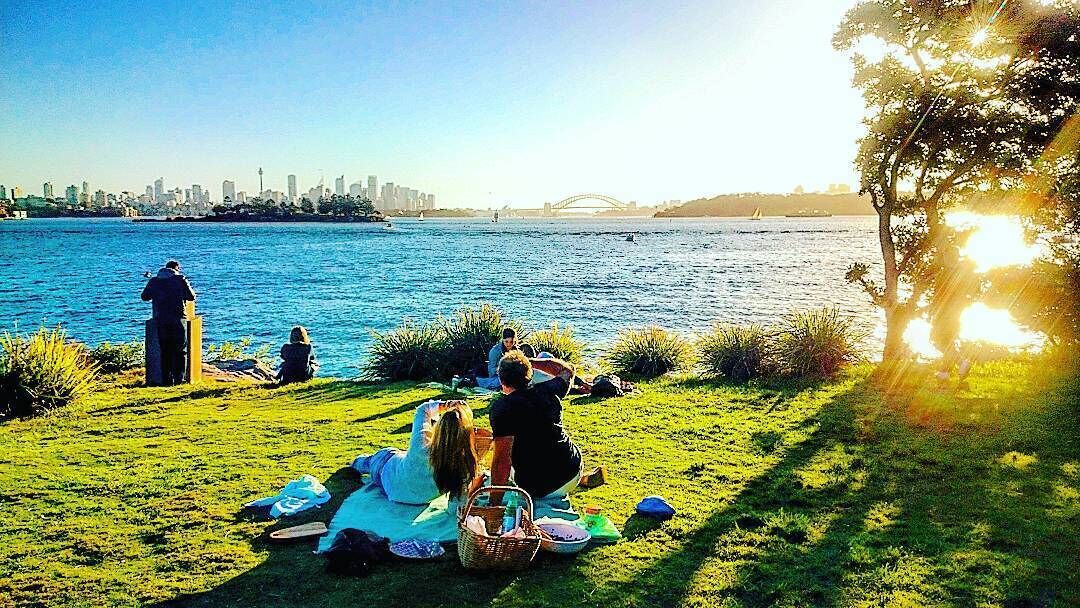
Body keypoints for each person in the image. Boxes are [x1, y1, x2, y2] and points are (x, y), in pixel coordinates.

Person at [489, 351, 583, 502]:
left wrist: (494, 503)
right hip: (571, 472)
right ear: (529, 374)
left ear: (501, 380)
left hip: (535, 487)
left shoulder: (502, 408)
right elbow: (567, 370)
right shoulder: (549, 390)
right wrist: (529, 362)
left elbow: (502, 461)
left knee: (501, 461)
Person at [351, 400, 483, 505]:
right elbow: (458, 505)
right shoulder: (463, 467)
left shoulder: (421, 445)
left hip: (389, 476)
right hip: (408, 489)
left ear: (439, 429)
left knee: (370, 461)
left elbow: (422, 410)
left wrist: (447, 404)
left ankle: (356, 463)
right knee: (392, 457)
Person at [140, 260, 196, 386]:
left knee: (165, 350)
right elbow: (191, 297)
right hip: (178, 318)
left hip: (161, 319)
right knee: (180, 350)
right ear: (176, 269)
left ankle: (166, 380)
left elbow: (144, 297)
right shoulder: (180, 279)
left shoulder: (154, 281)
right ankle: (179, 380)